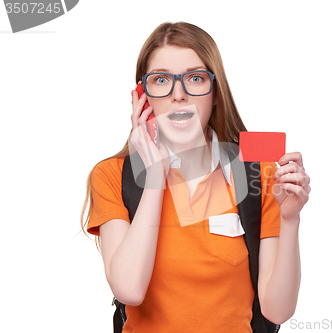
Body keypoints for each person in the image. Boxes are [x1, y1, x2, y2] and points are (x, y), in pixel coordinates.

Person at [80, 21, 311, 332]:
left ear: (216, 94)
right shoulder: (111, 176)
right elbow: (129, 289)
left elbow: (277, 311)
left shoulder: (259, 171)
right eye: (161, 80)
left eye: (195, 78)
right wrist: (154, 178)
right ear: (141, 96)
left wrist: (290, 220)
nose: (179, 95)